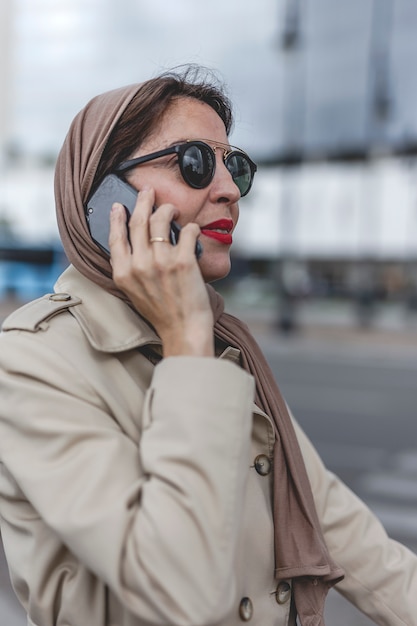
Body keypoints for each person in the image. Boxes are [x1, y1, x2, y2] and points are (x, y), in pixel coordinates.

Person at [0, 65, 415, 626]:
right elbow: (178, 592)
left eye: (234, 165)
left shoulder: (228, 351)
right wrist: (186, 338)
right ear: (102, 199)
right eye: (194, 161)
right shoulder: (32, 360)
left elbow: (354, 538)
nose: (227, 190)